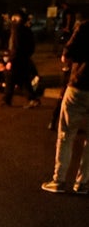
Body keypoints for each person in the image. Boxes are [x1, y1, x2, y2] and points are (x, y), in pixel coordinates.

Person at [41, 21, 89, 194]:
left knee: (66, 134)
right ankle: (83, 183)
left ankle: (59, 180)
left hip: (80, 85)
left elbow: (66, 55)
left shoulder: (84, 27)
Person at [0, 9, 40, 109]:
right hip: (24, 58)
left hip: (16, 58)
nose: (11, 19)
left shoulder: (16, 29)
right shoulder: (27, 30)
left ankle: (7, 100)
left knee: (10, 77)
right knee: (22, 79)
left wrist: (11, 60)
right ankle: (31, 99)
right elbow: (31, 47)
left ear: (16, 18)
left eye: (13, 17)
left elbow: (15, 45)